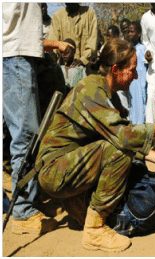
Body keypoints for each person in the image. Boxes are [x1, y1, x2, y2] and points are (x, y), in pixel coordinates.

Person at [35, 38, 155, 252]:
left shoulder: (107, 93)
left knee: (123, 152)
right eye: (132, 69)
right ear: (116, 69)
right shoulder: (91, 90)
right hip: (54, 170)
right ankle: (94, 228)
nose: (136, 75)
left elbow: (126, 133)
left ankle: (78, 206)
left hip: (70, 164)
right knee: (118, 152)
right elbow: (125, 138)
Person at [3, 2, 73, 235]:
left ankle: (27, 200)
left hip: (18, 57)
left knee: (23, 133)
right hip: (15, 58)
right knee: (24, 135)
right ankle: (23, 211)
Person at [127, 21, 147, 124]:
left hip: (140, 85)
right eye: (128, 32)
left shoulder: (142, 49)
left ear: (138, 33)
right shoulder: (127, 50)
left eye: (132, 31)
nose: (129, 34)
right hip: (130, 85)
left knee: (141, 109)